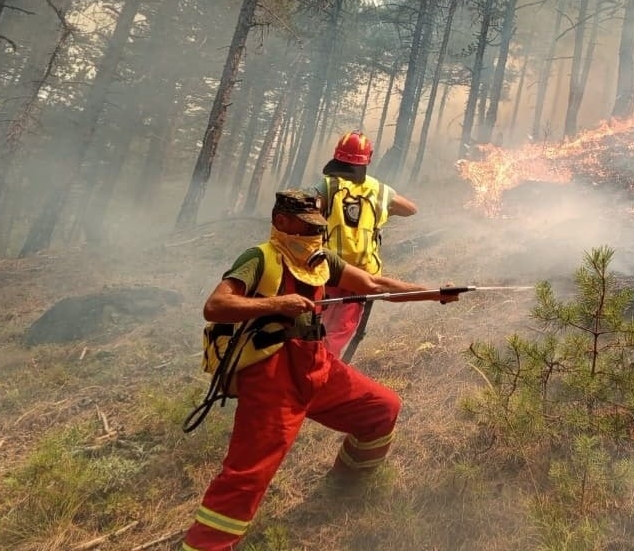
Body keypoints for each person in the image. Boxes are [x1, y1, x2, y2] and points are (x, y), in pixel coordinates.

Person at [182, 189, 457, 551]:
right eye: (307, 225)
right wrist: (278, 303)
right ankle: (205, 546)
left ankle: (344, 487)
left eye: (319, 225)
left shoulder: (321, 259)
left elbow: (375, 285)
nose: (316, 233)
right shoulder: (259, 257)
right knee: (248, 474)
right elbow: (216, 305)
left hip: (317, 365)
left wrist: (433, 293)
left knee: (381, 408)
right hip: (270, 377)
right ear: (282, 222)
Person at [316, 131, 418, 361]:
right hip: (363, 277)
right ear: (367, 159)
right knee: (338, 333)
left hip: (329, 272)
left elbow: (310, 209)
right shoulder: (379, 190)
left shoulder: (328, 185)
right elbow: (411, 209)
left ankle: (312, 377)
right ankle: (322, 377)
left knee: (314, 330)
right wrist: (384, 209)